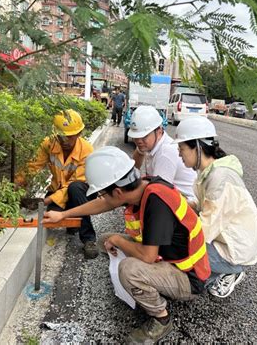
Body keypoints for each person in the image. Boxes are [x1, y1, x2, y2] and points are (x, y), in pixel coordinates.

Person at [43, 146, 211, 343]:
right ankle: (149, 284)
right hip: (168, 256)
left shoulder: (157, 202)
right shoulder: (144, 186)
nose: (102, 198)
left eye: (103, 193)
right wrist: (63, 215)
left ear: (117, 191)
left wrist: (119, 241)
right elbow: (105, 204)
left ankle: (161, 319)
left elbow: (148, 256)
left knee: (128, 269)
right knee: (105, 238)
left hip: (188, 276)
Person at [174, 116, 257, 298]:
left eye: (182, 149)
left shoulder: (220, 179)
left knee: (181, 249)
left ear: (198, 147)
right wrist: (181, 203)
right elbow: (203, 208)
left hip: (237, 247)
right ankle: (217, 270)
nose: (179, 154)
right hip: (227, 237)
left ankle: (232, 269)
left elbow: (204, 231)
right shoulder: (211, 172)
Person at [15, 109, 98, 259]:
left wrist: (43, 201)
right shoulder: (49, 144)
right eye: (61, 137)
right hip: (58, 190)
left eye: (69, 137)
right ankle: (72, 223)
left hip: (82, 192)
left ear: (78, 134)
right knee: (53, 212)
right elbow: (32, 167)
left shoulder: (87, 151)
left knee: (75, 189)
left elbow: (76, 182)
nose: (65, 142)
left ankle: (89, 239)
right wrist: (15, 186)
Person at [128, 105, 197, 203]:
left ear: (159, 131)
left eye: (144, 136)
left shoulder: (166, 152)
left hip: (188, 204)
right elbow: (136, 162)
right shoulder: (151, 143)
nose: (138, 141)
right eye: (136, 136)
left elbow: (158, 193)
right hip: (172, 193)